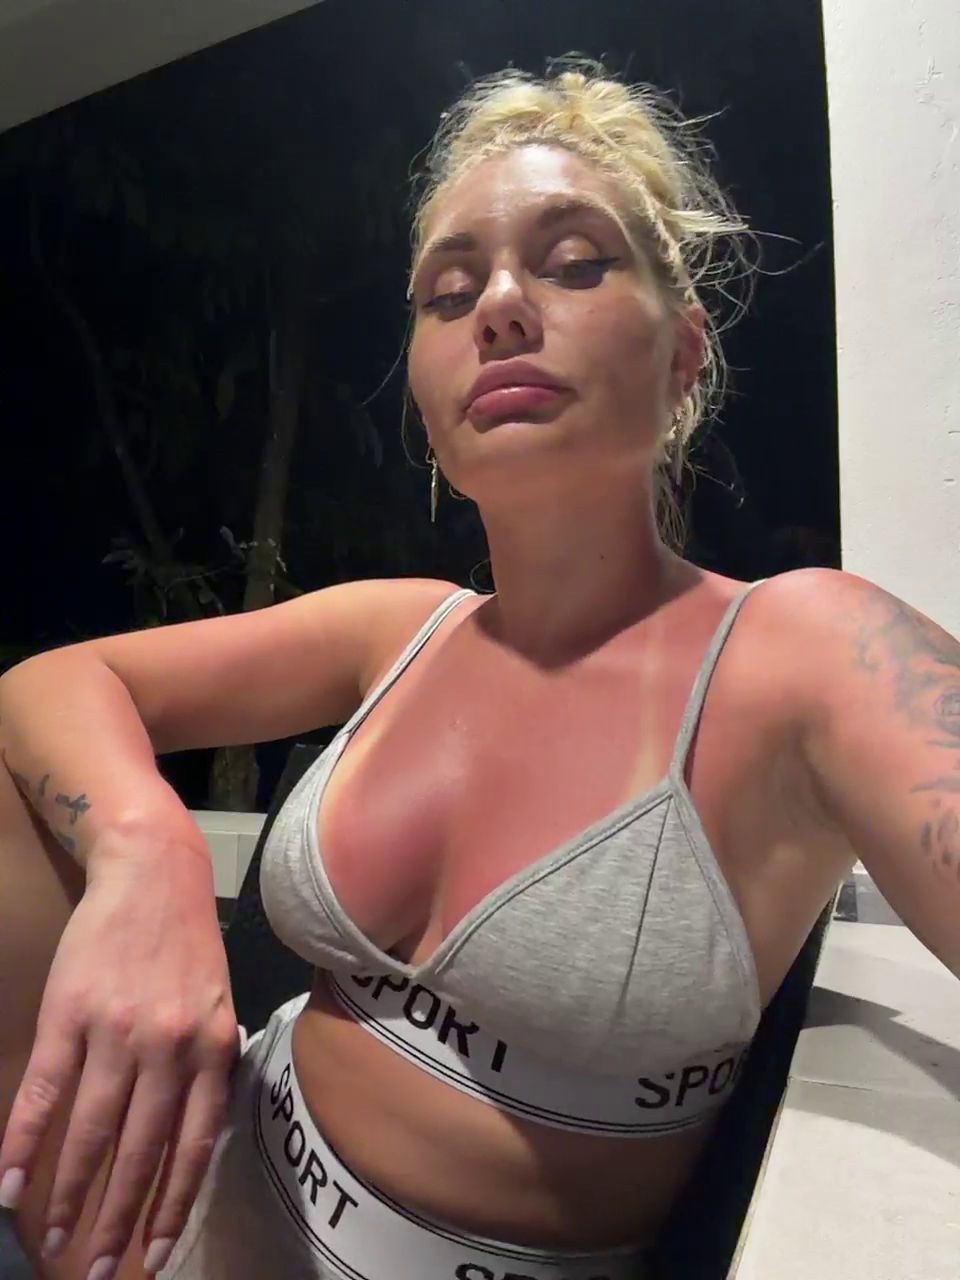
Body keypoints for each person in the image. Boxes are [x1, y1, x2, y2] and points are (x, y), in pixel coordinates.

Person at [0, 60, 958, 1280]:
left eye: (575, 264)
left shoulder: (805, 649)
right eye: (448, 293)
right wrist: (148, 851)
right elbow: (48, 683)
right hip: (166, 1200)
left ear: (683, 356)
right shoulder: (402, 627)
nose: (499, 305)